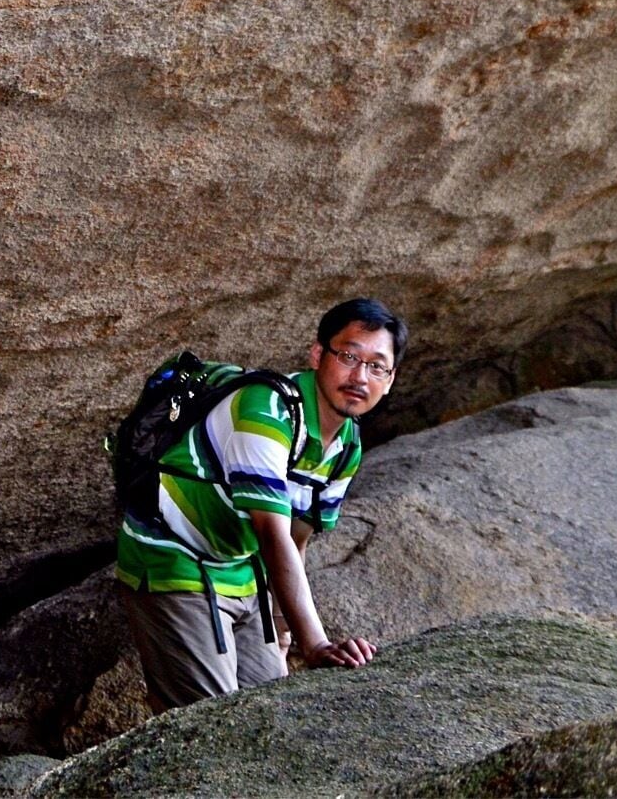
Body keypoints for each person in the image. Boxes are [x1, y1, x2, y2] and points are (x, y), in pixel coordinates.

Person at [112, 297, 406, 711]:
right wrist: (315, 644)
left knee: (268, 713)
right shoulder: (265, 408)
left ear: (390, 380)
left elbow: (297, 539)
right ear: (318, 354)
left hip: (243, 570)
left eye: (377, 366)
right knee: (208, 721)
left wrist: (284, 630)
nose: (360, 376)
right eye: (348, 356)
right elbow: (273, 533)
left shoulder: (346, 445)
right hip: (173, 557)